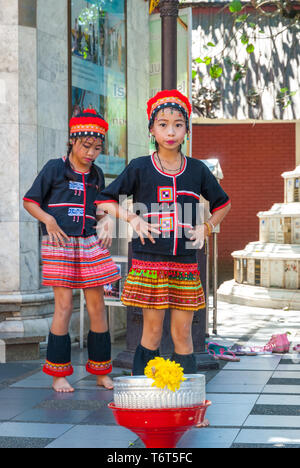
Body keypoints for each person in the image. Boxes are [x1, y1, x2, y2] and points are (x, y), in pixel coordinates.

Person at [95, 89, 231, 377]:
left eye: (178, 124)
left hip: (184, 261)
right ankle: (146, 397)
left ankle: (186, 399)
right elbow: (105, 200)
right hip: (148, 261)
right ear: (151, 129)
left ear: (186, 130)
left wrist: (205, 227)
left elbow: (224, 203)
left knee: (183, 334)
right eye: (163, 124)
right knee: (152, 332)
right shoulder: (140, 167)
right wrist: (133, 218)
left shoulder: (197, 170)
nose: (171, 131)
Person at [23, 108, 120, 393]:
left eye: (97, 148)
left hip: (89, 242)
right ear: (72, 140)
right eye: (86, 146)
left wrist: (107, 221)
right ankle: (58, 375)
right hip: (59, 243)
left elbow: (100, 208)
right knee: (64, 307)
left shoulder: (97, 174)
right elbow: (30, 201)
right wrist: (49, 219)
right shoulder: (55, 167)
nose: (91, 153)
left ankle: (102, 371)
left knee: (97, 307)